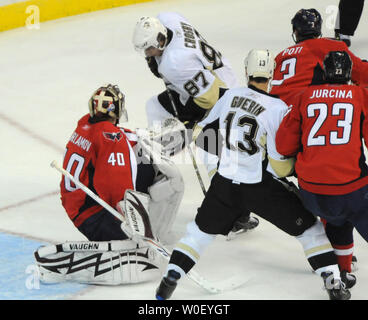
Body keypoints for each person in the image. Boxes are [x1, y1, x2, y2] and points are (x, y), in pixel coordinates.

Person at [155, 49, 350, 301]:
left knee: (197, 235)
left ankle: (169, 281)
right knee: (310, 230)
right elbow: (280, 159)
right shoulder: (277, 107)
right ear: (271, 74)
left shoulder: (229, 96)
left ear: (246, 71)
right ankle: (333, 281)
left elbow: (201, 132)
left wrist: (225, 150)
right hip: (259, 187)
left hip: (223, 185)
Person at [34, 84, 185, 285]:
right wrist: (131, 219)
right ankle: (147, 239)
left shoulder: (87, 125)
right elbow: (115, 187)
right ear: (117, 110)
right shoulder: (110, 138)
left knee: (148, 165)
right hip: (94, 214)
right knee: (144, 252)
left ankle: (152, 234)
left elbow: (120, 139)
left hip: (80, 206)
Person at [132, 12, 259, 237]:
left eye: (149, 49)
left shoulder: (175, 64)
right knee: (155, 107)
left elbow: (209, 98)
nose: (147, 54)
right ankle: (161, 164)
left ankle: (235, 215)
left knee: (213, 153)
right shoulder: (169, 19)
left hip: (221, 98)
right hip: (216, 78)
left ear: (161, 41)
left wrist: (189, 122)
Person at [270, 7, 368, 273]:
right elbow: (362, 73)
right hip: (308, 124)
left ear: (295, 33)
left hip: (279, 126)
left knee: (322, 184)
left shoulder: (281, 56)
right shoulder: (328, 46)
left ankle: (339, 260)